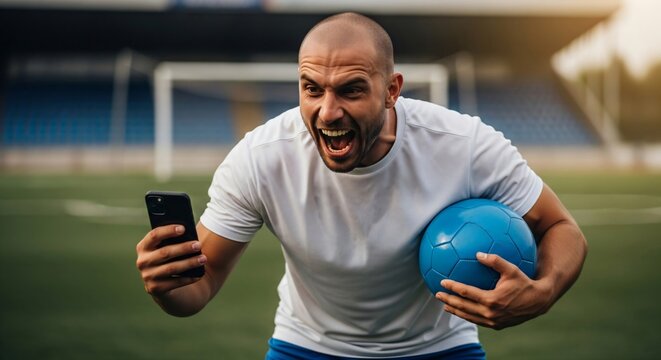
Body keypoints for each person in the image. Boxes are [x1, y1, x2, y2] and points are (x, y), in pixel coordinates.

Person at [136, 12, 587, 359]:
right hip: (306, 346)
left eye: (350, 90)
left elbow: (561, 228)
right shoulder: (261, 157)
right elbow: (201, 283)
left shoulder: (464, 145)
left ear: (392, 90)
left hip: (439, 348)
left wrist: (543, 291)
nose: (327, 112)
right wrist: (168, 286)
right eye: (312, 89)